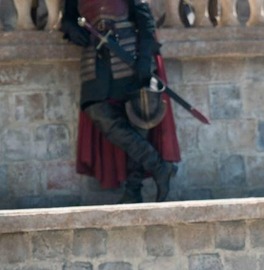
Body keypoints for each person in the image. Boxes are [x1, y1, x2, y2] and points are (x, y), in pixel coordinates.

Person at [60, 0, 180, 203]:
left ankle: (133, 191)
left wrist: (144, 59)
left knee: (138, 120)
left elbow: (145, 20)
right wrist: (71, 29)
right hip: (96, 61)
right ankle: (159, 167)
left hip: (128, 55)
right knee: (97, 111)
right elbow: (68, 18)